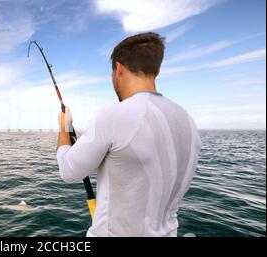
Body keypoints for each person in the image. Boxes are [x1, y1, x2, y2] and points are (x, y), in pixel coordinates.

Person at [56, 32, 201, 237]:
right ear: (156, 69)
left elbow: (69, 171)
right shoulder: (188, 121)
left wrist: (63, 127)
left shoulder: (110, 116)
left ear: (118, 68)